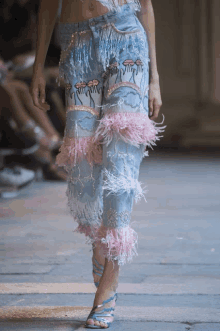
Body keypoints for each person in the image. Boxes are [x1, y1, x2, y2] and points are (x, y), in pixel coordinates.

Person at [30, 0, 165, 328]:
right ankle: (100, 242)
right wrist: (37, 68)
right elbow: (49, 6)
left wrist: (155, 79)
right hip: (77, 46)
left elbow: (145, 5)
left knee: (121, 159)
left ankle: (111, 274)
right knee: (82, 165)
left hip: (126, 38)